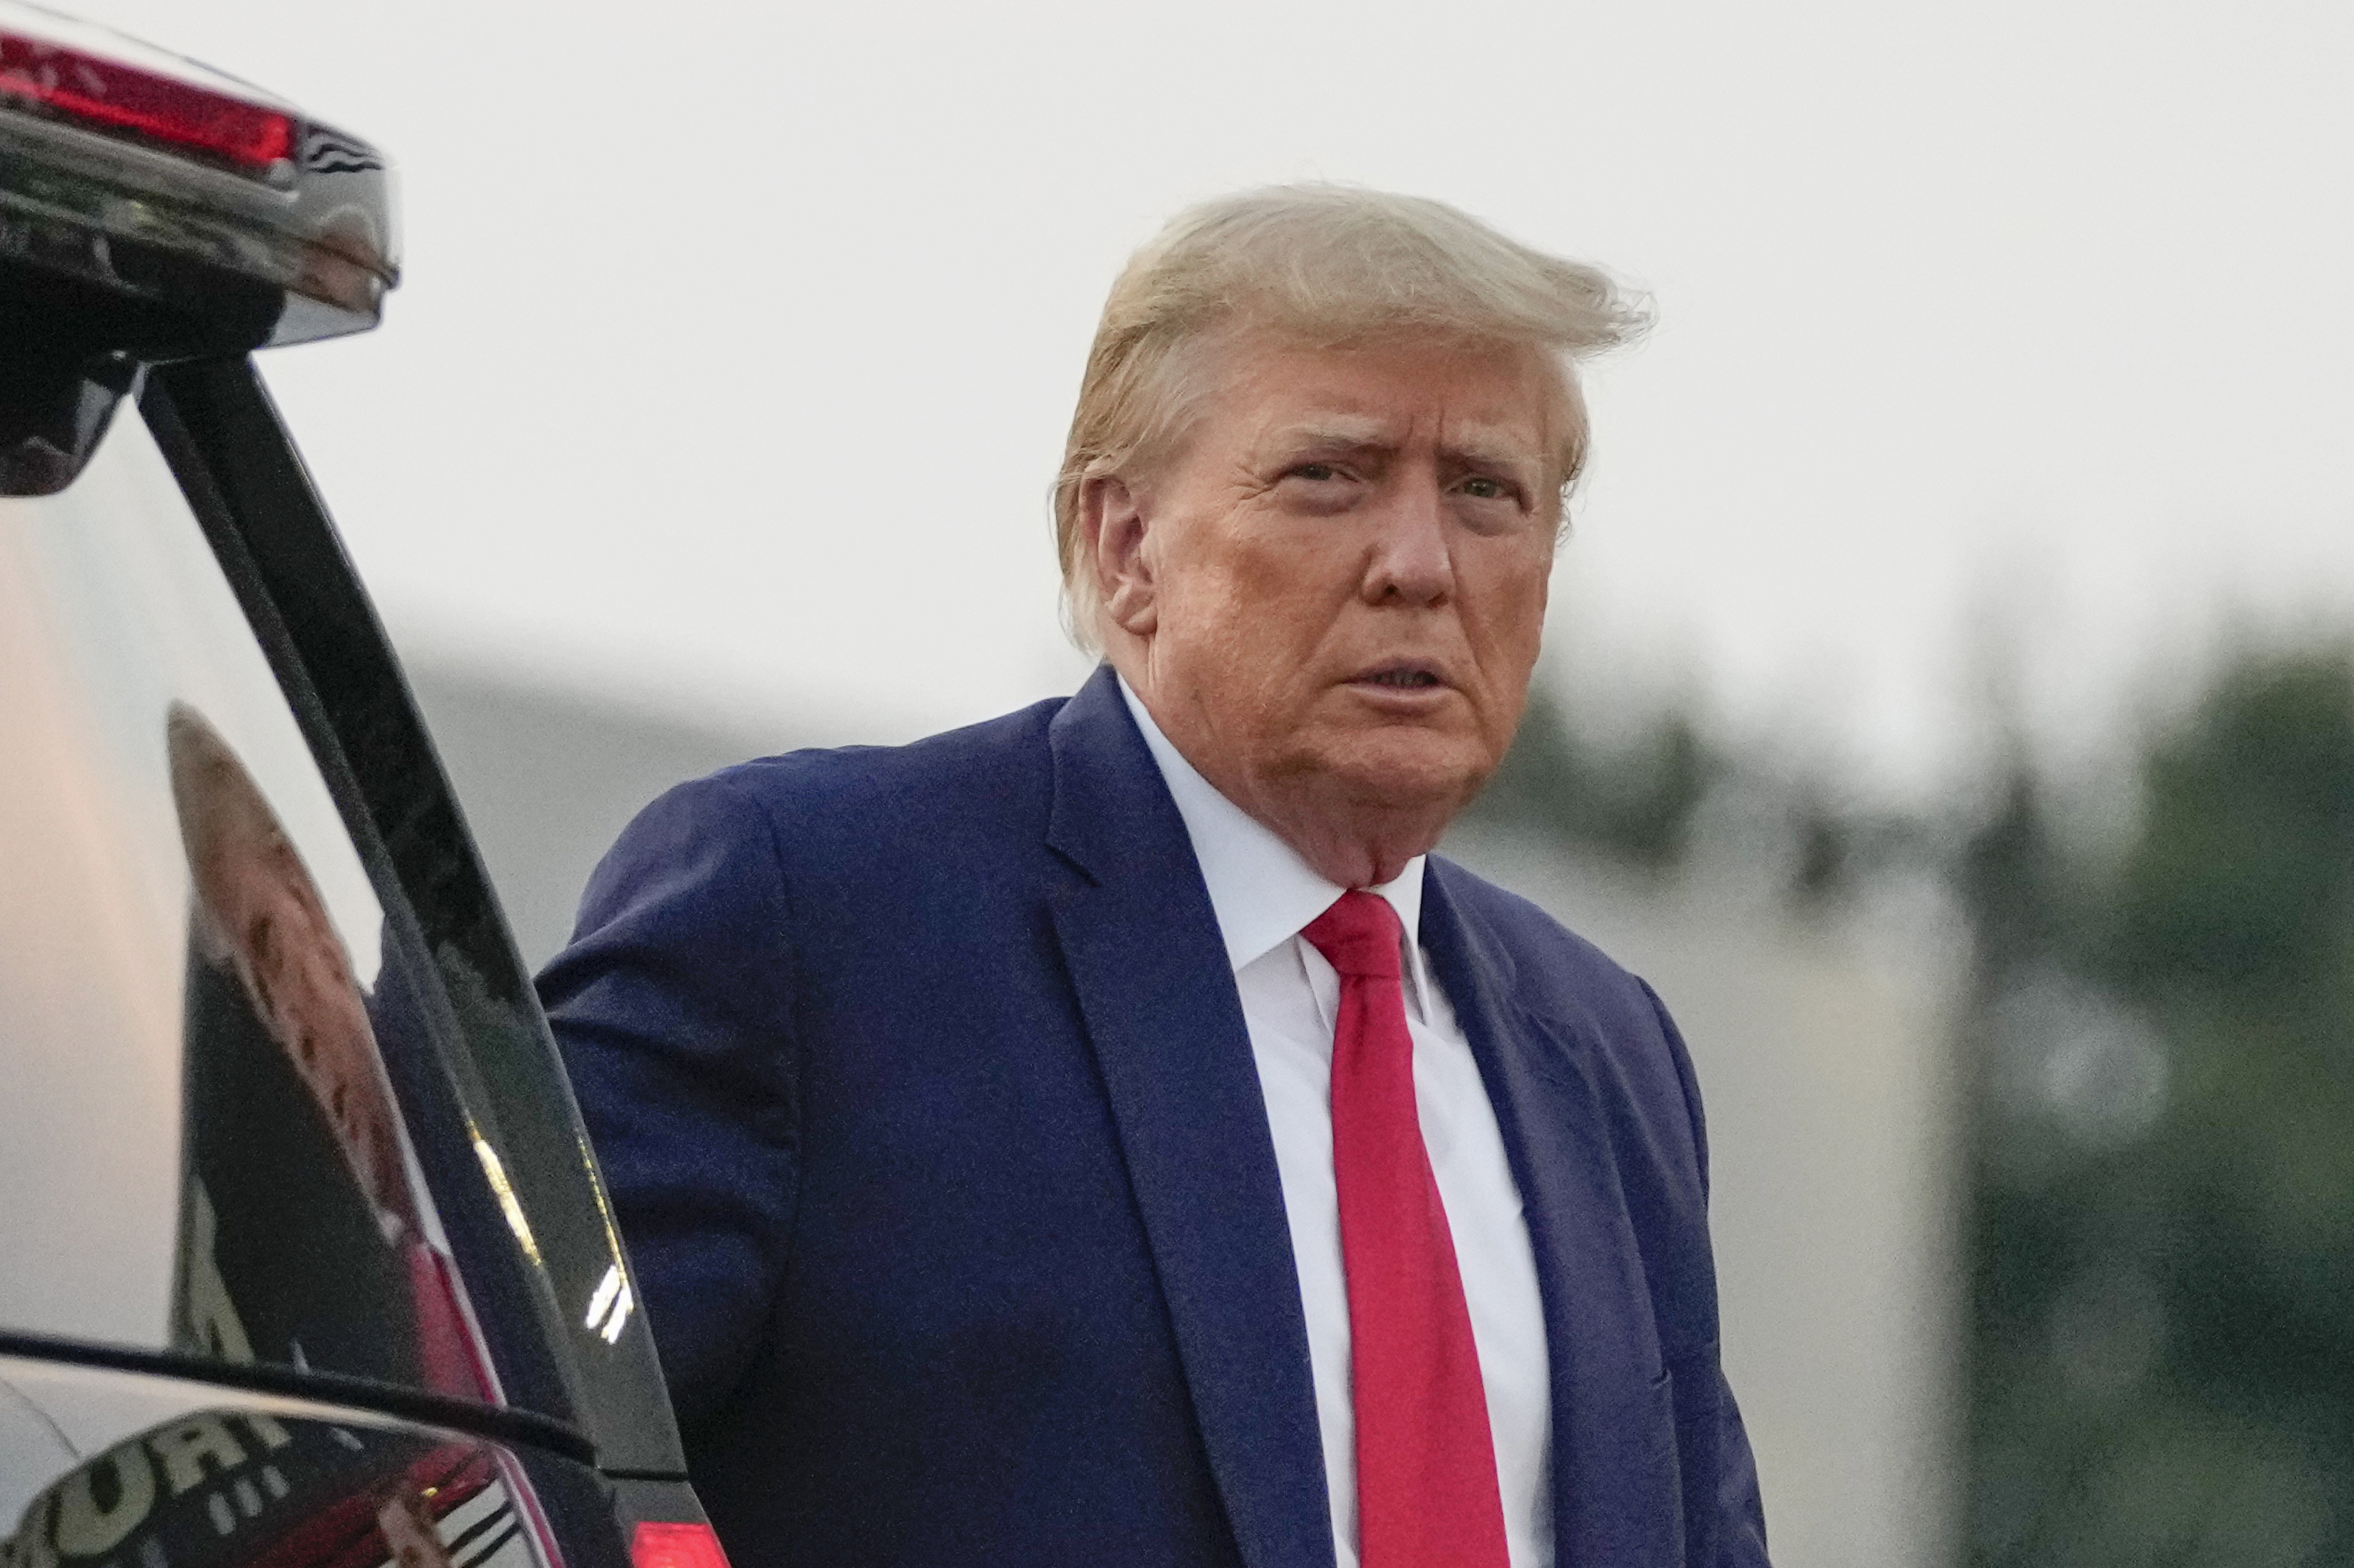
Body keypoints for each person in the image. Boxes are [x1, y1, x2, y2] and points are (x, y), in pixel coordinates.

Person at [540, 185, 1769, 1568]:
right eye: (1332, 476)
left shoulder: (1606, 1055)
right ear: (1127, 547)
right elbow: (486, 1465)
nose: (1422, 564)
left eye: (1489, 491)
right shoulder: (806, 917)